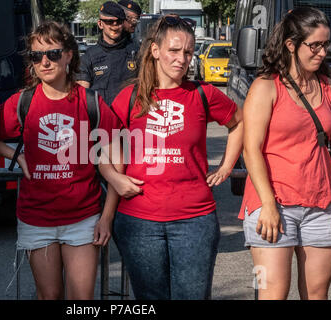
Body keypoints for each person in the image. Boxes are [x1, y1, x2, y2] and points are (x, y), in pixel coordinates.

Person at [100, 14, 243, 300]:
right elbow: (104, 147)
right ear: (155, 51)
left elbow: (239, 122)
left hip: (194, 220)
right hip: (138, 220)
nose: (182, 58)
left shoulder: (204, 94)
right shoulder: (128, 97)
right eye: (174, 50)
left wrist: (227, 165)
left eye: (188, 52)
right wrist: (114, 178)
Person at [0, 21, 122, 300]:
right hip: (36, 218)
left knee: (81, 299)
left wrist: (107, 217)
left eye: (53, 53)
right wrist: (17, 156)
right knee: (48, 295)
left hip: (83, 217)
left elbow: (116, 161)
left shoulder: (91, 102)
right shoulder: (22, 102)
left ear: (69, 55)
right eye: (37, 56)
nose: (45, 62)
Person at [239, 7, 331, 300]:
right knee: (270, 293)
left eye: (327, 44)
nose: (322, 52)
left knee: (317, 294)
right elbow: (250, 149)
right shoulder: (265, 87)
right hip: (271, 205)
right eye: (315, 45)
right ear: (291, 45)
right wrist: (268, 205)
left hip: (322, 206)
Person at [77, 1, 139, 106]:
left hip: (130, 119)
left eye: (118, 22)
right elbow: (81, 100)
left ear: (123, 23)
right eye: (109, 22)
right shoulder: (89, 58)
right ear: (100, 24)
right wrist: (84, 123)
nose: (114, 26)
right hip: (102, 120)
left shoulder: (137, 53)